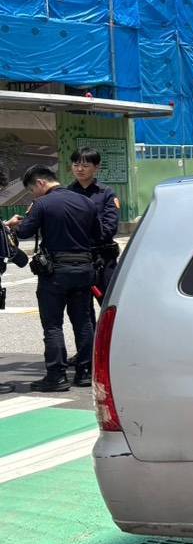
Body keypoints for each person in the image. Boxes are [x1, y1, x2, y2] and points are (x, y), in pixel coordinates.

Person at [4, 166, 102, 391]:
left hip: (56, 272)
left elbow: (24, 233)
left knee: (53, 326)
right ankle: (85, 373)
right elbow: (99, 234)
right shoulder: (86, 202)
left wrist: (16, 224)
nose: (33, 195)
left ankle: (56, 376)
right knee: (84, 322)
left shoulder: (42, 204)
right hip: (85, 269)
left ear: (40, 183)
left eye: (32, 190)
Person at [67, 146, 121, 294]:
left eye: (85, 165)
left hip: (103, 258)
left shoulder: (106, 193)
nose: (79, 169)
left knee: (108, 300)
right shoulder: (67, 193)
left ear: (96, 167)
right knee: (81, 309)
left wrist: (88, 239)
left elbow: (110, 226)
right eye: (76, 164)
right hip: (76, 259)